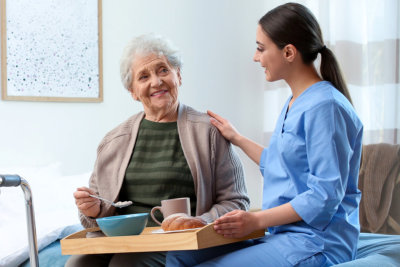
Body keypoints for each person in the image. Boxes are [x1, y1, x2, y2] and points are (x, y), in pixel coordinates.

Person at [166, 3, 363, 267]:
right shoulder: (295, 102)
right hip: (281, 235)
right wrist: (236, 137)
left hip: (316, 243)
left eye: (261, 48)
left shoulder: (324, 107)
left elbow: (324, 195)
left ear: (289, 52)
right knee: (180, 254)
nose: (255, 57)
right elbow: (281, 166)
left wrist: (256, 220)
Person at [66, 33, 250, 267]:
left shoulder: (208, 132)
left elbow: (237, 202)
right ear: (133, 91)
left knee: (126, 265)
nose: (156, 81)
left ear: (178, 75)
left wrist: (198, 221)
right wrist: (92, 210)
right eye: (144, 76)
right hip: (123, 242)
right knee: (78, 264)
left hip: (183, 243)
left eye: (163, 70)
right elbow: (93, 220)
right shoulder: (113, 141)